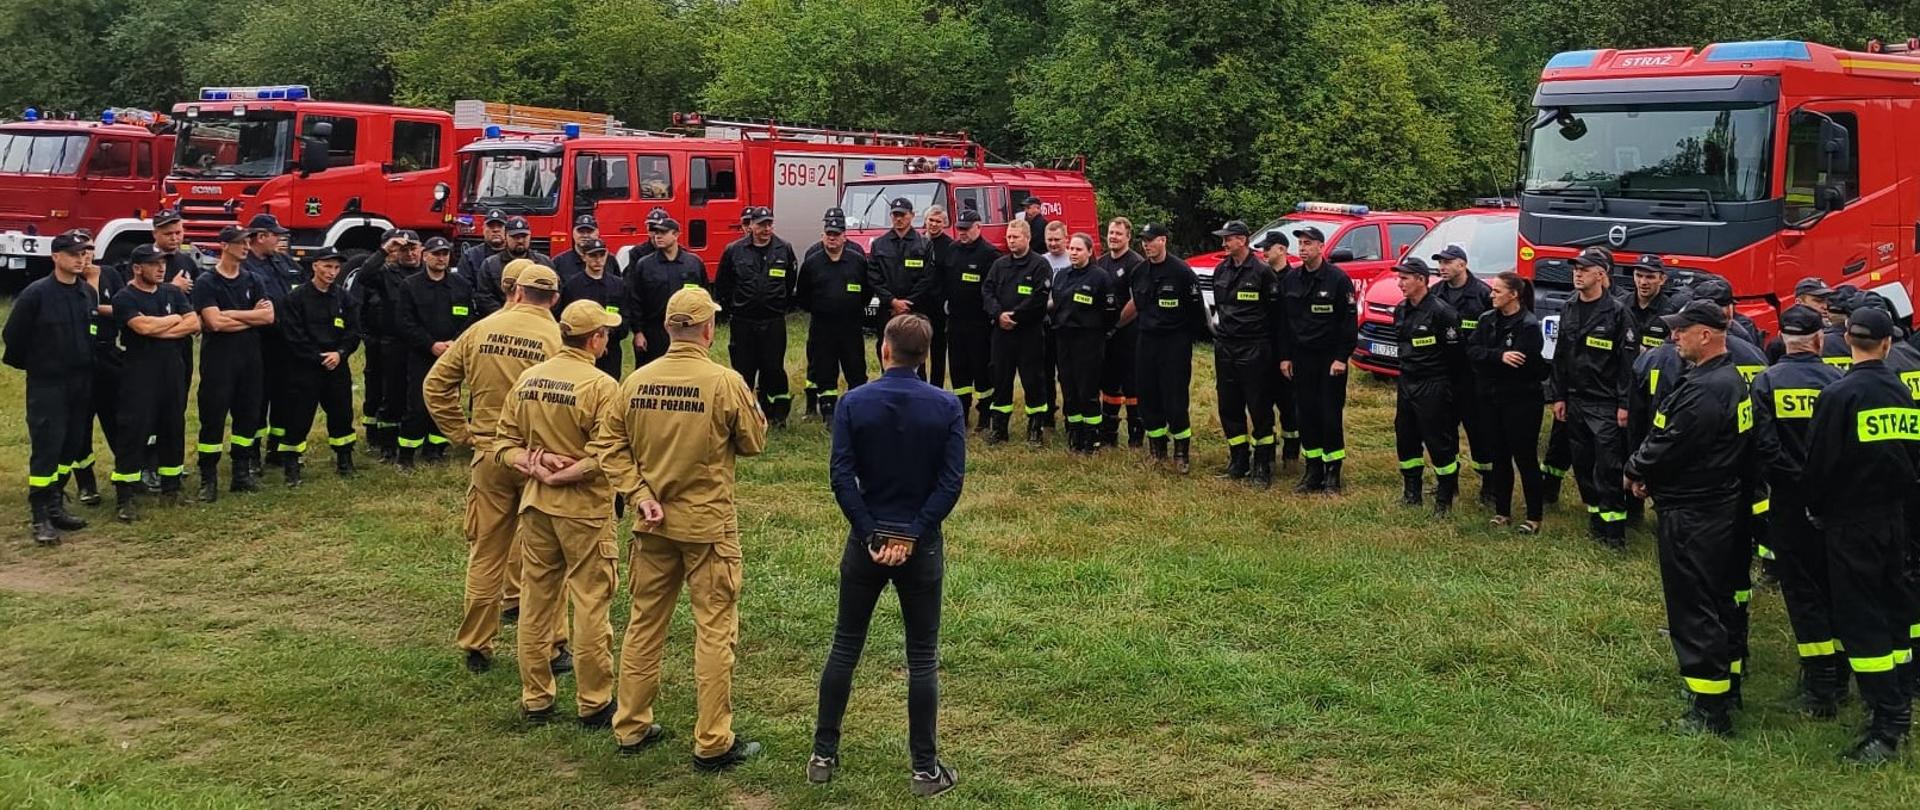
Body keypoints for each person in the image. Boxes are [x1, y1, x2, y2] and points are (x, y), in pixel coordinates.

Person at [597, 287, 768, 771]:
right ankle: (713, 740)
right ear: (708, 330)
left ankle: (630, 724)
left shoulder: (635, 381)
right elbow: (753, 442)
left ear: (669, 328)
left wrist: (639, 495)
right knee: (714, 630)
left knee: (645, 624)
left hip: (651, 526)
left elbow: (609, 444)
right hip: (707, 526)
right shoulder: (725, 381)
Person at [808, 314, 964, 796]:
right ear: (926, 356)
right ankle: (924, 769)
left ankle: (822, 755)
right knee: (922, 657)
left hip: (867, 539)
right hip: (920, 543)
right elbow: (950, 481)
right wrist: (914, 533)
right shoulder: (946, 405)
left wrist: (870, 531)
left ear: (884, 351)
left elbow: (841, 476)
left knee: (845, 646)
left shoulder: (855, 402)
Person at [424, 261, 565, 674]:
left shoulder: (480, 330)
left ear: (516, 292)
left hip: (490, 454)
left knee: (487, 551)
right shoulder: (556, 337)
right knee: (545, 556)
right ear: (554, 299)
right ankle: (552, 646)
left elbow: (436, 386)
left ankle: (476, 644)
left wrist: (463, 433)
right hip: (538, 459)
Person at [1623, 300, 1755, 739]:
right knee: (1719, 602)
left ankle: (1708, 711)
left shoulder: (1707, 389)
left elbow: (1672, 442)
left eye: (1682, 330)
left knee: (1694, 607)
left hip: (1694, 511)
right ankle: (1725, 688)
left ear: (1707, 334)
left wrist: (1637, 469)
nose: (1674, 337)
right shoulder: (1725, 378)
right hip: (1716, 505)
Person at [494, 301, 625, 728]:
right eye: (605, 332)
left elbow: (503, 442)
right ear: (595, 339)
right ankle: (594, 701)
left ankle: (535, 697)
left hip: (536, 506)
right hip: (584, 511)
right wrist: (570, 471)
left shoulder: (529, 379)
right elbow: (608, 452)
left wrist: (532, 463)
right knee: (590, 605)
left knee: (536, 602)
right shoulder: (602, 386)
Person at [1804, 306, 1920, 763]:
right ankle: (1898, 706)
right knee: (1895, 611)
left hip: (1850, 524)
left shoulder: (1838, 396)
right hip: (1895, 519)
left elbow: (1819, 466)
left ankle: (1886, 725)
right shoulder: (1901, 391)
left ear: (1847, 340)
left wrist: (1816, 510)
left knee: (1862, 619)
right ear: (1889, 343)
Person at [1749, 305, 1847, 718]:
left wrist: (1793, 481)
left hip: (1789, 505)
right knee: (1834, 588)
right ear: (1820, 341)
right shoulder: (1838, 382)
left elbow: (1764, 448)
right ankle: (1841, 676)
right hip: (1833, 503)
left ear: (1781, 341)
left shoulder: (1767, 382)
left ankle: (1819, 686)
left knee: (1803, 595)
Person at [4, 231, 99, 544]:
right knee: (47, 447)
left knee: (70, 446)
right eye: (73, 254)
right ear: (56, 257)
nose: (80, 259)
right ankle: (40, 515)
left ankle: (56, 505)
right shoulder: (37, 294)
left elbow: (91, 333)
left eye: (83, 253)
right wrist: (38, 366)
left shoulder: (86, 292)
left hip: (79, 381)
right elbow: (14, 336)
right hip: (48, 383)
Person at [1549, 252, 1635, 548]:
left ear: (1602, 274)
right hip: (1575, 400)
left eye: (1585, 270)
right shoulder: (1569, 307)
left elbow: (1627, 363)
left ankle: (1615, 534)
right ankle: (1596, 521)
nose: (1578, 274)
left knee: (1608, 467)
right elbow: (1560, 356)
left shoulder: (1618, 312)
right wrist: (1558, 395)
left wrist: (1624, 403)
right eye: (1576, 269)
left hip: (1606, 401)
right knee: (1583, 465)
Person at [107, 245, 197, 520]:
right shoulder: (125, 297)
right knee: (133, 431)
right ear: (137, 268)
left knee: (173, 426)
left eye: (163, 263)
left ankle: (172, 487)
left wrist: (161, 328)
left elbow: (193, 323)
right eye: (154, 264)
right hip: (139, 373)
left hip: (172, 370)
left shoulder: (171, 292)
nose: (161, 268)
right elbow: (141, 328)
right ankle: (126, 495)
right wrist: (172, 320)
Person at [193, 226, 275, 501]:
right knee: (213, 420)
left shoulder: (254, 279)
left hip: (251, 360)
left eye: (248, 242)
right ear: (225, 245)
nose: (246, 246)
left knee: (248, 417)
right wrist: (249, 316)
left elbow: (267, 318)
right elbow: (214, 323)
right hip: (219, 362)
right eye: (240, 242)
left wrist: (232, 315)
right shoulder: (207, 281)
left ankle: (241, 473)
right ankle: (209, 478)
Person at [1466, 272, 1549, 532]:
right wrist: (1498, 356)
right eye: (1492, 290)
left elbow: (1522, 365)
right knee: (1498, 456)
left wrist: (1492, 361)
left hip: (1522, 402)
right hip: (1490, 399)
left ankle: (1534, 517)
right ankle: (1502, 512)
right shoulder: (1487, 320)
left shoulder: (1528, 325)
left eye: (1498, 291)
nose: (1492, 295)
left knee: (1525, 459)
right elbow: (1472, 351)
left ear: (1514, 295)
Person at [1278, 226, 1358, 494]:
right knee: (1305, 414)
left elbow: (1348, 323)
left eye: (1308, 243)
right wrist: (1285, 357)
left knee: (1329, 414)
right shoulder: (1291, 279)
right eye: (1300, 243)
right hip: (1302, 357)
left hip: (1329, 359)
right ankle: (1312, 470)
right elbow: (1285, 323)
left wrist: (1341, 357)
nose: (1303, 248)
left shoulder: (1337, 280)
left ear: (1321, 247)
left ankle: (1333, 472)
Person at [275, 247, 361, 485]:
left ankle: (345, 460)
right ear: (314, 266)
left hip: (336, 366)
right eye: (327, 266)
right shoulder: (296, 298)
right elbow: (292, 335)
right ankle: (291, 466)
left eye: (336, 267)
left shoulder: (344, 298)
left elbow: (354, 331)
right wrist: (318, 357)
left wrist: (340, 354)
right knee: (297, 417)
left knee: (342, 414)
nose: (332, 272)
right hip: (305, 368)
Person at [1209, 220, 1283, 486]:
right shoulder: (1221, 270)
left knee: (1259, 406)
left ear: (1242, 240)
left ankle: (1262, 464)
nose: (1224, 243)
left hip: (1254, 347)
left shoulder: (1262, 272)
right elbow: (1220, 307)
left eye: (1228, 238)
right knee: (1228, 405)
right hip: (1226, 347)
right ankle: (1238, 459)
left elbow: (1275, 314)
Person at [1128, 223, 1205, 473]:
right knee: (1148, 396)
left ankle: (1181, 452)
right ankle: (1157, 448)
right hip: (1147, 340)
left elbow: (1196, 311)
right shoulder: (1138, 272)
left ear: (1163, 241)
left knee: (1174, 398)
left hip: (1174, 342)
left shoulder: (1181, 272)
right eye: (1143, 241)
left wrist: (1183, 338)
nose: (1146, 245)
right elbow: (1138, 306)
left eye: (1151, 240)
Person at [1390, 258, 1464, 514]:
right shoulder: (1401, 309)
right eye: (1399, 278)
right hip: (1407, 382)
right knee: (1406, 437)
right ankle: (1412, 493)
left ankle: (1444, 498)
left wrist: (1446, 389)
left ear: (1421, 280)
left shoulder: (1442, 313)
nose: (1400, 283)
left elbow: (1456, 356)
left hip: (1434, 384)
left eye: (1405, 278)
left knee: (1438, 442)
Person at [395, 237, 478, 465]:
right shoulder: (410, 285)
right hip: (422, 355)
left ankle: (436, 450)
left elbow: (469, 318)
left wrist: (455, 343)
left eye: (445, 253)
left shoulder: (460, 285)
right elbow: (405, 322)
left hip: (451, 356)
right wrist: (430, 344)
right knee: (418, 405)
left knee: (447, 404)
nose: (441, 258)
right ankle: (406, 455)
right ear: (425, 255)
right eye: (436, 254)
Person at [715, 206, 799, 426]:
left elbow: (790, 282)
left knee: (773, 368)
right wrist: (734, 306)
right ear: (750, 225)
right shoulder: (734, 250)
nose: (766, 229)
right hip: (743, 321)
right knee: (743, 369)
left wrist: (779, 304)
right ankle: (742, 413)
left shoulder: (784, 249)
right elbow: (723, 284)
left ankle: (776, 414)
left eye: (769, 224)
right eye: (761, 224)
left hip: (772, 321)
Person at [1428, 244, 1493, 503]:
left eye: (1447, 262)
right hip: (1443, 375)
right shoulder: (1435, 294)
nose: (1442, 266)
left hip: (1474, 378)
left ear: (1462, 265)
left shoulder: (1483, 295)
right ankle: (1448, 484)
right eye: (1440, 262)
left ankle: (1489, 485)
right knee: (1444, 431)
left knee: (1479, 432)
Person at [242, 214, 307, 465]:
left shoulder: (283, 262)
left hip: (286, 342)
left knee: (284, 396)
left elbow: (301, 289)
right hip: (259, 342)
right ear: (260, 237)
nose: (280, 240)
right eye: (275, 235)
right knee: (257, 398)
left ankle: (277, 448)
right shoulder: (246, 267)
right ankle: (252, 453)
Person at [982, 218, 1052, 445]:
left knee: (1033, 380)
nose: (1010, 241)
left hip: (1028, 333)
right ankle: (999, 428)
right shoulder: (999, 265)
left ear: (1027, 238)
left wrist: (1015, 316)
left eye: (1015, 237)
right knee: (1001, 378)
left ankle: (1035, 428)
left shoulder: (1040, 265)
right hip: (1002, 333)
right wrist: (998, 314)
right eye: (1008, 237)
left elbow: (1039, 298)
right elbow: (987, 292)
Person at [356, 230, 421, 465]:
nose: (410, 253)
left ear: (421, 249)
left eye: (414, 248)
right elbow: (363, 276)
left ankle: (416, 439)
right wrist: (385, 250)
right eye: (404, 249)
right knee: (391, 396)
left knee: (417, 396)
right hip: (393, 344)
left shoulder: (428, 274)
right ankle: (387, 446)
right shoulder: (387, 274)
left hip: (420, 345)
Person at [1050, 233, 1119, 454]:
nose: (1073, 252)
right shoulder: (1061, 276)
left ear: (1090, 252)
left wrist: (1096, 330)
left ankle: (1092, 437)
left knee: (1087, 390)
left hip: (1089, 340)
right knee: (1069, 388)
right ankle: (1076, 433)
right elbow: (1057, 306)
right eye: (1071, 248)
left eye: (1078, 249)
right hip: (1064, 339)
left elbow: (1110, 312)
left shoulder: (1100, 277)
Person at [797, 208, 869, 418]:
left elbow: (866, 291)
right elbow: (803, 295)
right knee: (825, 370)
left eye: (836, 235)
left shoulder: (857, 261)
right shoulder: (812, 262)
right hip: (823, 327)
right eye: (829, 234)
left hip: (851, 326)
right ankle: (829, 412)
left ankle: (857, 410)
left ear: (844, 237)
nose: (832, 238)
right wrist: (822, 310)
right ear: (823, 236)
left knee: (855, 368)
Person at [938, 209, 1000, 429]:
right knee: (958, 369)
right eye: (960, 229)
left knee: (981, 370)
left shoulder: (990, 255)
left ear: (978, 227)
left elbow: (994, 290)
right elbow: (944, 281)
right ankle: (961, 412)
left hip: (979, 324)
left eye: (966, 229)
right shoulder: (952, 250)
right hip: (955, 321)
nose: (962, 233)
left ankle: (985, 414)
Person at [78, 239, 125, 507]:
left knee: (117, 418)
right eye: (80, 251)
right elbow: (88, 312)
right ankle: (86, 483)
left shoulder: (110, 273)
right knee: (80, 426)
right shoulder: (70, 281)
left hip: (108, 354)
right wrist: (92, 285)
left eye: (89, 249)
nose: (85, 256)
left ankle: (127, 475)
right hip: (81, 360)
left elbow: (123, 307)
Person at [626, 217, 709, 368]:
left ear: (676, 234)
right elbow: (635, 299)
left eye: (663, 232)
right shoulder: (644, 264)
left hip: (686, 330)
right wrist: (638, 332)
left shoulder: (693, 263)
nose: (658, 236)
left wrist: (706, 329)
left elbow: (705, 298)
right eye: (656, 232)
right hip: (653, 331)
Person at [866, 197, 937, 368]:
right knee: (887, 350)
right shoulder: (879, 244)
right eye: (895, 215)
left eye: (902, 215)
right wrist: (892, 301)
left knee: (915, 350)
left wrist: (907, 304)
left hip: (914, 310)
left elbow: (927, 278)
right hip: (887, 310)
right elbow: (874, 277)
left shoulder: (924, 244)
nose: (898, 219)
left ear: (912, 215)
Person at [1095, 219, 1145, 449]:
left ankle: (1136, 434)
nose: (1113, 237)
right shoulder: (1101, 262)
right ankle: (1109, 434)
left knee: (1132, 384)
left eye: (1118, 233)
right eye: (1110, 232)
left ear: (1128, 237)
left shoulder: (1136, 263)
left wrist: (1116, 323)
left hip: (1129, 332)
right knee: (1109, 382)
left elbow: (1137, 300)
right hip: (1106, 334)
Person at [1255, 231, 1301, 465]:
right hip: (1263, 349)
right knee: (1262, 400)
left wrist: (1289, 355)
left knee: (1289, 404)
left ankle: (1292, 451)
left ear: (1281, 250)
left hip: (1288, 351)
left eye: (1268, 248)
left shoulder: (1294, 279)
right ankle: (1267, 451)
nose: (1263, 252)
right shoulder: (1262, 276)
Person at [555, 237, 628, 380]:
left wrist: (604, 340)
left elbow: (625, 317)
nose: (598, 260)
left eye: (602, 255)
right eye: (593, 255)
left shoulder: (618, 285)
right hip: (580, 350)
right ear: (583, 257)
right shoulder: (572, 286)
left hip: (610, 351)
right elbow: (565, 318)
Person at [476, 217, 551, 317]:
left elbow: (554, 292)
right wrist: (505, 316)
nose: (520, 240)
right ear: (506, 237)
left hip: (537, 319)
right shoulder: (490, 264)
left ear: (530, 236)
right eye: (515, 236)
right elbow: (484, 297)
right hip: (501, 321)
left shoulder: (544, 263)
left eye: (524, 236)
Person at [1765, 277, 1833, 362]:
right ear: (1799, 302)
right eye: (1818, 301)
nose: (1825, 306)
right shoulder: (1779, 344)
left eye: (1826, 301)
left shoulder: (1838, 334)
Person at [922, 206, 953, 388]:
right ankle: (919, 385)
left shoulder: (950, 246)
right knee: (917, 347)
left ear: (945, 224)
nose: (934, 224)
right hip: (919, 304)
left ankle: (936, 388)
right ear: (925, 221)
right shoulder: (917, 242)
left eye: (938, 221)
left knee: (938, 350)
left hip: (939, 307)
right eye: (931, 220)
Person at [553, 214, 621, 281]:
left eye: (589, 231)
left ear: (598, 233)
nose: (585, 235)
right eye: (581, 231)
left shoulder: (609, 260)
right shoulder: (559, 262)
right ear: (573, 233)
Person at [460, 209, 510, 278]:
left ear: (507, 230)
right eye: (491, 226)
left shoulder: (516, 255)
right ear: (483, 229)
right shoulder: (470, 257)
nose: (495, 230)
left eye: (500, 226)